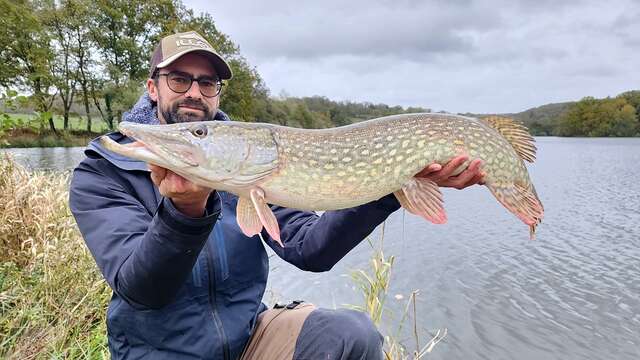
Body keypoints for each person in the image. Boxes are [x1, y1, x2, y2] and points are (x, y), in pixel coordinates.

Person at [69, 31, 485, 360]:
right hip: (158, 353)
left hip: (250, 339)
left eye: (207, 82)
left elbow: (311, 249)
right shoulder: (103, 171)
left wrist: (391, 184)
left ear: (217, 93)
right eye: (179, 78)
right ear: (153, 87)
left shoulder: (248, 161)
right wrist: (184, 211)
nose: (194, 91)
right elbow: (142, 290)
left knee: (353, 336)